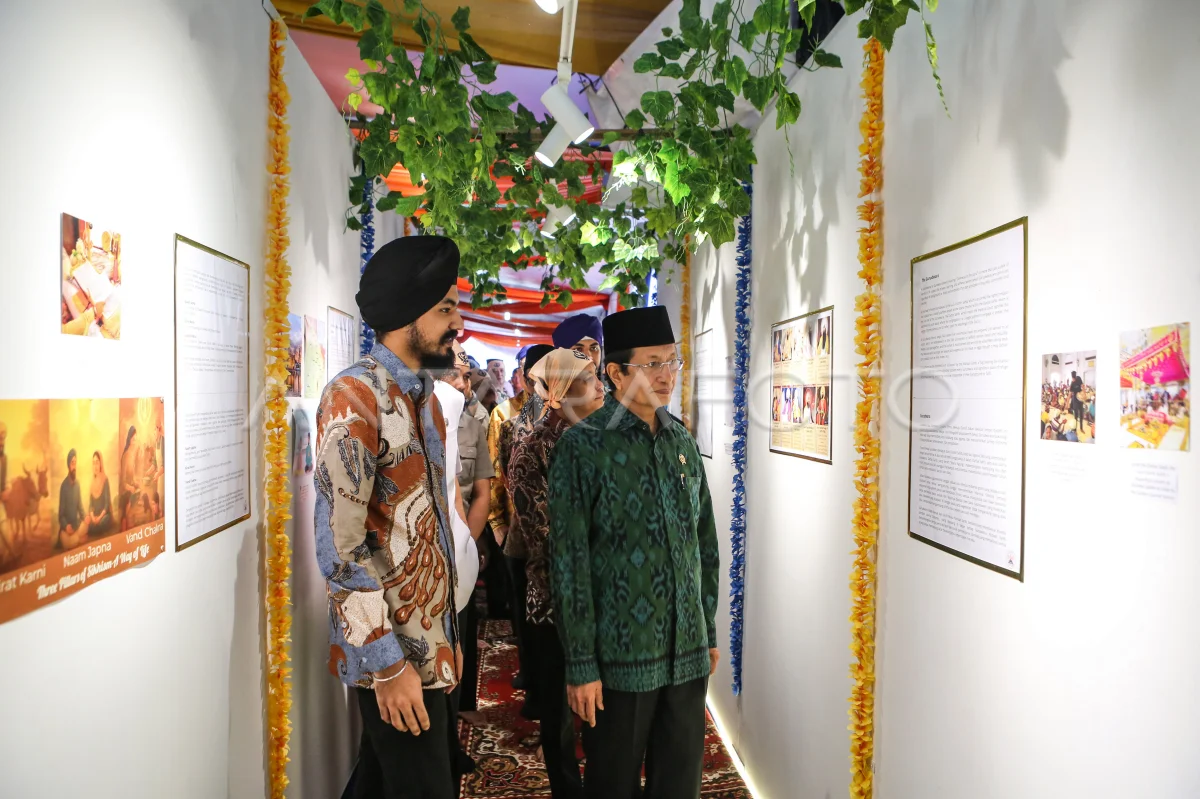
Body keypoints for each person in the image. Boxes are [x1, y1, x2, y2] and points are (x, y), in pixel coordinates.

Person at [547, 305, 720, 799]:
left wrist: (707, 629)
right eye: (652, 364)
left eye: (672, 361)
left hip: (686, 654)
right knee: (613, 782)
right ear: (617, 373)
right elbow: (569, 565)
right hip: (620, 658)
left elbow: (705, 543)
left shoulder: (681, 440)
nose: (666, 375)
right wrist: (582, 663)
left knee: (679, 782)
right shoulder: (582, 448)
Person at [317, 234, 464, 799]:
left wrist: (445, 639)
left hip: (429, 647)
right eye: (445, 309)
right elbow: (341, 549)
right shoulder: (354, 396)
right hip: (396, 656)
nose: (457, 323)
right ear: (409, 316)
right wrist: (387, 666)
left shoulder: (422, 398)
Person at [510, 348, 605, 799]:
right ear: (564, 390)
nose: (601, 385)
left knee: (605, 706)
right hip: (555, 601)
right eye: (588, 378)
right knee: (560, 710)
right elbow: (547, 538)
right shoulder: (533, 449)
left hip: (605, 597)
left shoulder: (602, 439)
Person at [433, 340, 483, 781]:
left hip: (460, 553)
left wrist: (468, 543)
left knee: (457, 659)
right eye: (461, 376)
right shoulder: (423, 418)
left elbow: (473, 493)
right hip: (429, 568)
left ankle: (450, 746)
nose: (468, 385)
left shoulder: (472, 423)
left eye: (468, 376)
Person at [495, 344, 554, 716]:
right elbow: (505, 478)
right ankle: (535, 689)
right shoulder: (512, 425)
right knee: (530, 622)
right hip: (525, 539)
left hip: (555, 543)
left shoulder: (580, 422)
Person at [58, 449, 88, 550]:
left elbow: (80, 507)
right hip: (66, 530)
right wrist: (66, 526)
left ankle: (76, 539)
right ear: (68, 465)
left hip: (76, 525)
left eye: (75, 463)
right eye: (72, 463)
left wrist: (85, 517)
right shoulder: (64, 486)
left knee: (86, 525)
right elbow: (61, 515)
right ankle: (79, 540)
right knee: (66, 543)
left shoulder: (77, 484)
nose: (74, 466)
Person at [86, 452, 114, 538]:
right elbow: (91, 504)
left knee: (101, 524)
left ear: (100, 464)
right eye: (93, 463)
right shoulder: (92, 482)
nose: (95, 466)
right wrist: (92, 517)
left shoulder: (105, 480)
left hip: (104, 516)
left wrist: (99, 518)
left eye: (97, 462)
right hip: (95, 515)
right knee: (88, 525)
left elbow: (106, 505)